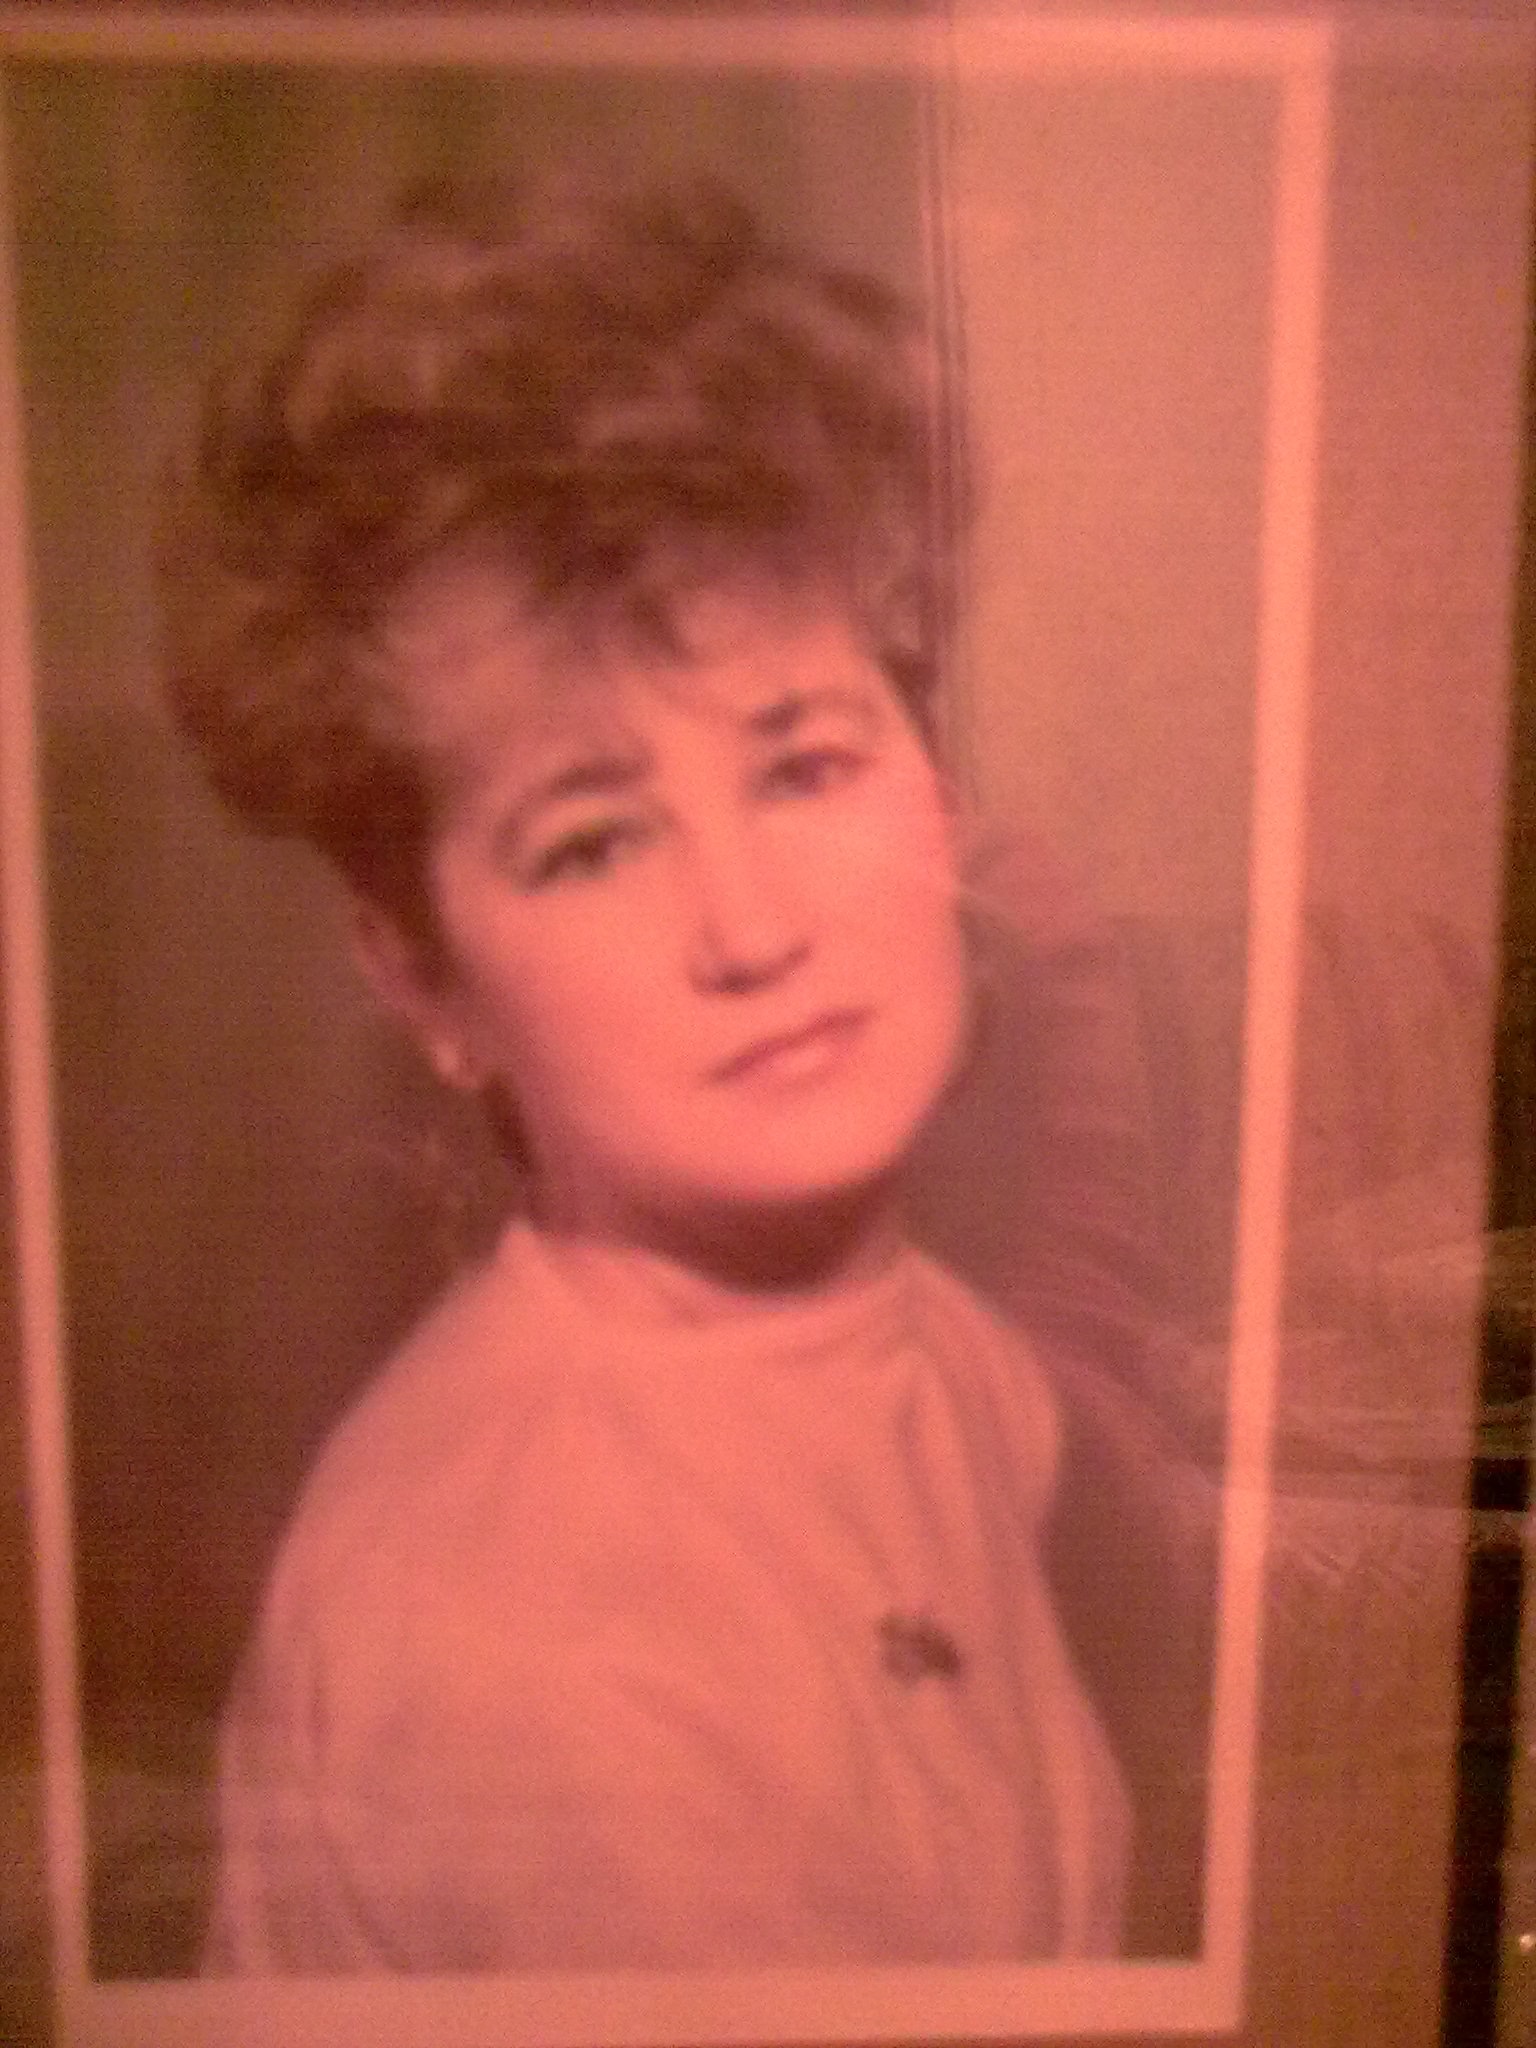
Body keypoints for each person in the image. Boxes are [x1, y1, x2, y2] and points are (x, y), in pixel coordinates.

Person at [158, 171, 1131, 1975]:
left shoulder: (935, 1355)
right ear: (423, 977)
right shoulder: (542, 1645)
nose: (749, 928)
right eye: (592, 842)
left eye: (805, 766)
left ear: (934, 781)